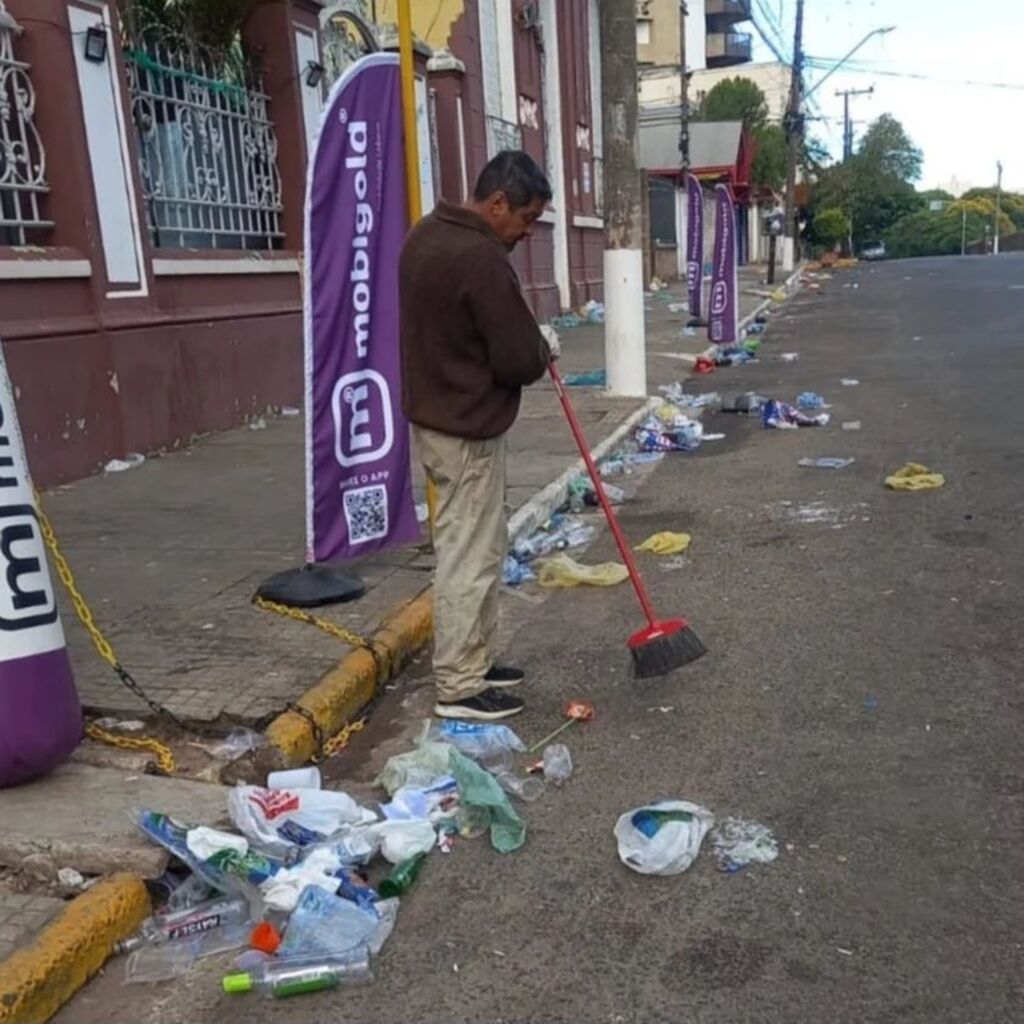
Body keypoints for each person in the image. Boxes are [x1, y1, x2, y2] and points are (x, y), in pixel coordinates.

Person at [399, 150, 560, 721]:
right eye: (525, 218)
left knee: (477, 546)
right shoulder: (480, 257)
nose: (525, 231)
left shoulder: (425, 235)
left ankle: (477, 658)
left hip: (437, 416)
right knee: (469, 554)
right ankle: (461, 685)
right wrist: (542, 348)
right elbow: (517, 356)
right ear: (497, 204)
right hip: (465, 426)